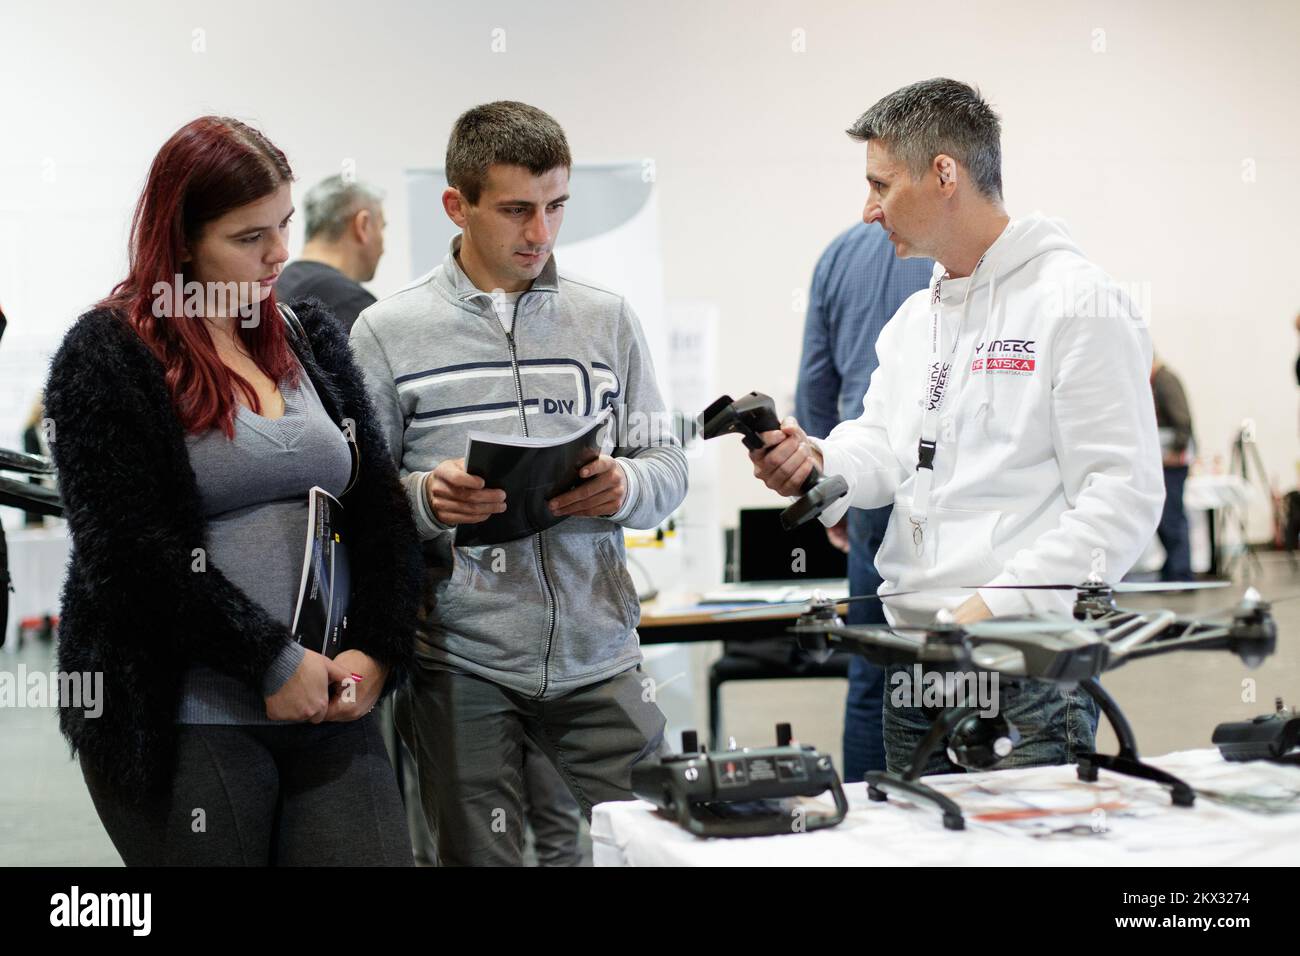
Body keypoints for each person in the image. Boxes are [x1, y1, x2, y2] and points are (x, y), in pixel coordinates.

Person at [749, 78, 1164, 775]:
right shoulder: (919, 318)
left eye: (881, 184)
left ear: (945, 173)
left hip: (1024, 668)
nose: (869, 208)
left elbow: (1122, 498)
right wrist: (819, 463)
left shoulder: (1078, 303)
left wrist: (988, 609)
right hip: (919, 659)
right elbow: (883, 443)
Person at [43, 116, 423, 866]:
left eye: (283, 224)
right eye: (249, 238)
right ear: (181, 241)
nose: (280, 253)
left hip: (330, 706)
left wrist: (379, 649)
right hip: (189, 712)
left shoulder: (307, 336)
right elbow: (128, 553)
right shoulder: (109, 352)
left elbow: (379, 508)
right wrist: (269, 661)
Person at [351, 101, 688, 866]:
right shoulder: (387, 334)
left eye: (555, 207)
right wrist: (425, 499)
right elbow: (358, 502)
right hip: (464, 659)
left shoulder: (605, 320)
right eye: (515, 211)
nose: (540, 233)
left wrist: (626, 486)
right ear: (456, 205)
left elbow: (668, 468)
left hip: (600, 653)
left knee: (660, 846)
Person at [795, 224, 931, 779]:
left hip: (861, 481)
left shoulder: (836, 257)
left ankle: (872, 818)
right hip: (929, 482)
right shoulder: (944, 254)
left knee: (873, 665)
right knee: (969, 662)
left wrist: (828, 487)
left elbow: (814, 384)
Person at [276, 174, 385, 332]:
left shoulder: (282, 284)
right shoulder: (350, 304)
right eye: (382, 228)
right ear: (363, 225)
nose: (383, 248)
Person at [1151, 356, 1195, 580]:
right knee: (1165, 517)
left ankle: (1180, 572)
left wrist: (1175, 451)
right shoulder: (1159, 380)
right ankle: (1173, 569)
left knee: (1172, 517)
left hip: (1172, 462)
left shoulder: (1166, 381)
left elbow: (1183, 420)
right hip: (1166, 461)